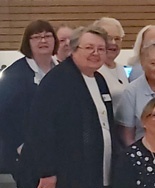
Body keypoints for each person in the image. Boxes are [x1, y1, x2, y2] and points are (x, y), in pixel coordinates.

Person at [20, 26, 117, 188]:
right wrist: (47, 172)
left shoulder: (99, 80)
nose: (96, 53)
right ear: (73, 49)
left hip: (99, 171)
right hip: (67, 174)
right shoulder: (57, 81)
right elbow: (41, 129)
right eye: (89, 48)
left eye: (101, 49)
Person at [0, 20, 57, 176]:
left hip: (59, 153)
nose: (43, 40)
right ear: (27, 42)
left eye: (47, 36)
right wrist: (19, 146)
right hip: (27, 155)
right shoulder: (15, 74)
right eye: (36, 37)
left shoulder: (63, 71)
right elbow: (4, 115)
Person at [94, 17, 129, 99]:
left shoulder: (121, 69)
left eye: (117, 39)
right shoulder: (94, 69)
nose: (113, 43)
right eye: (108, 38)